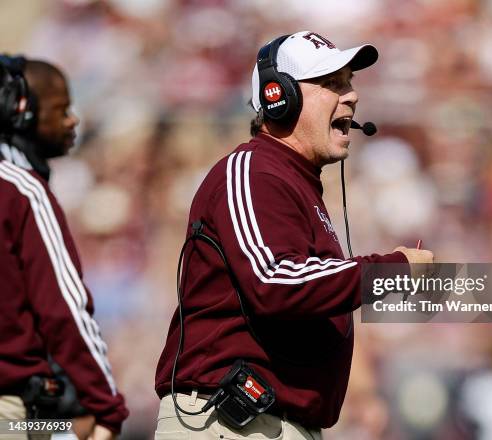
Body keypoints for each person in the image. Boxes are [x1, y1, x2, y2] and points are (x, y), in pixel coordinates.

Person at [154, 31, 434, 439]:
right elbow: (274, 282)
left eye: (350, 83)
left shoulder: (293, 182)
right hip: (229, 422)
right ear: (279, 97)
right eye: (333, 84)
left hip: (268, 424)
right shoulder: (253, 169)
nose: (352, 96)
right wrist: (390, 269)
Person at [0, 57, 128, 439]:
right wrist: (107, 407)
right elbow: (63, 310)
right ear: (18, 109)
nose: (73, 120)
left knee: (72, 427)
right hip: (11, 413)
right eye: (61, 108)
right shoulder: (20, 191)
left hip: (31, 411)